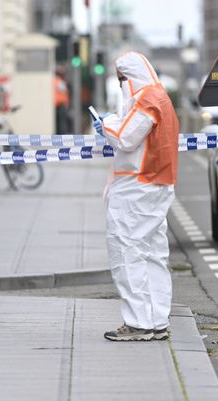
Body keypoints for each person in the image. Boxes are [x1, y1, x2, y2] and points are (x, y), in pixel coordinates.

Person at [92, 52, 179, 342]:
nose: (120, 86)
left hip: (137, 190)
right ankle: (156, 321)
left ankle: (139, 323)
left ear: (130, 76)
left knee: (127, 253)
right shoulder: (160, 97)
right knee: (153, 255)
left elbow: (127, 137)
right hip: (155, 186)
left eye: (121, 79)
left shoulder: (147, 99)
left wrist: (105, 125)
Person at [53, 67, 71, 134]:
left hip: (56, 104)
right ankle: (63, 134)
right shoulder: (60, 81)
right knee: (62, 121)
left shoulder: (54, 81)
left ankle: (58, 133)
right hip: (61, 104)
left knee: (57, 121)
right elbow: (64, 92)